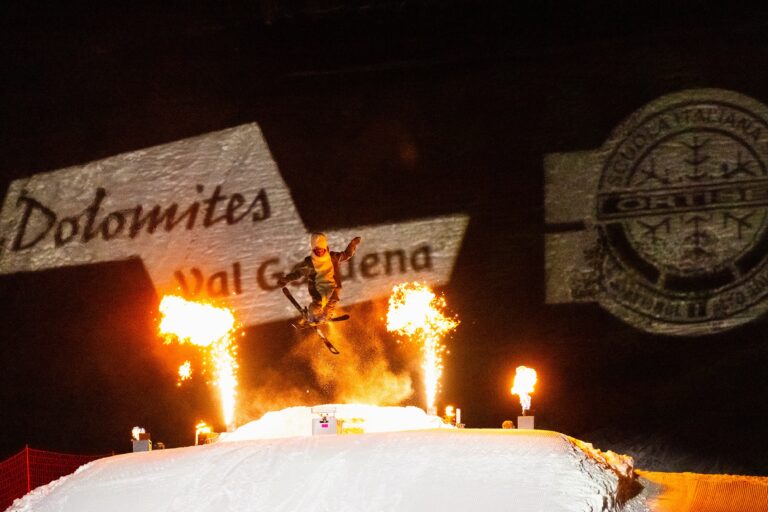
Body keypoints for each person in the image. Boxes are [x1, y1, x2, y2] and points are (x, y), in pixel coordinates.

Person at [278, 232, 361, 324]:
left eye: (321, 249)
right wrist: (285, 279)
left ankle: (326, 314)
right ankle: (312, 315)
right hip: (316, 290)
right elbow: (298, 273)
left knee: (332, 298)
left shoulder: (333, 257)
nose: (319, 252)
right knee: (316, 307)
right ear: (313, 249)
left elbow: (346, 254)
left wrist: (352, 244)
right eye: (317, 250)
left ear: (325, 247)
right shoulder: (310, 262)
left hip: (332, 289)